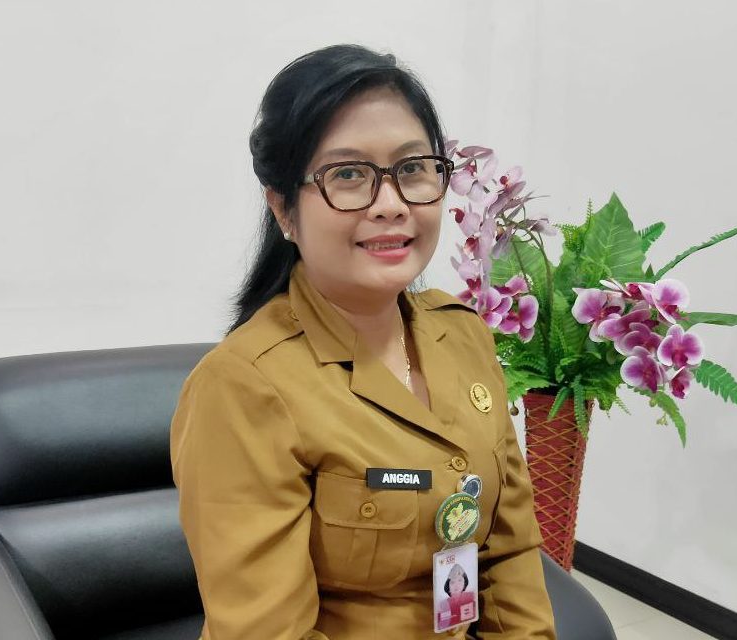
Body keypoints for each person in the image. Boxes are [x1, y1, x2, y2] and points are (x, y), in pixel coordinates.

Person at [170, 44, 556, 640]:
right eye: (348, 175)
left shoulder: (463, 333)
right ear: (284, 209)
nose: (391, 205)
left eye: (412, 168)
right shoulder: (245, 387)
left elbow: (510, 553)